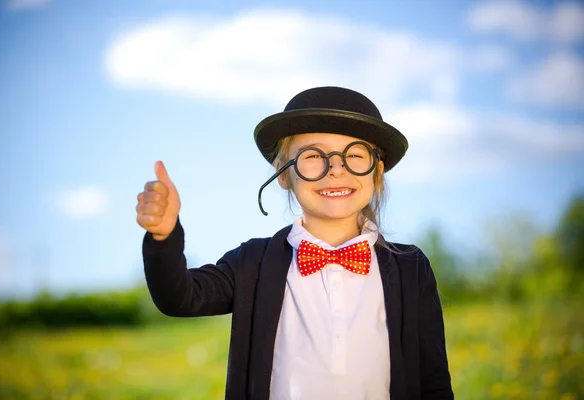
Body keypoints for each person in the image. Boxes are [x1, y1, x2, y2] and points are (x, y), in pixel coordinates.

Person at [136, 86, 454, 399]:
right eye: (314, 156)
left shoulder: (411, 267)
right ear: (284, 175)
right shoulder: (252, 263)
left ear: (377, 172)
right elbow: (179, 297)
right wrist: (164, 236)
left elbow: (434, 382)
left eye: (355, 154)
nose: (336, 169)